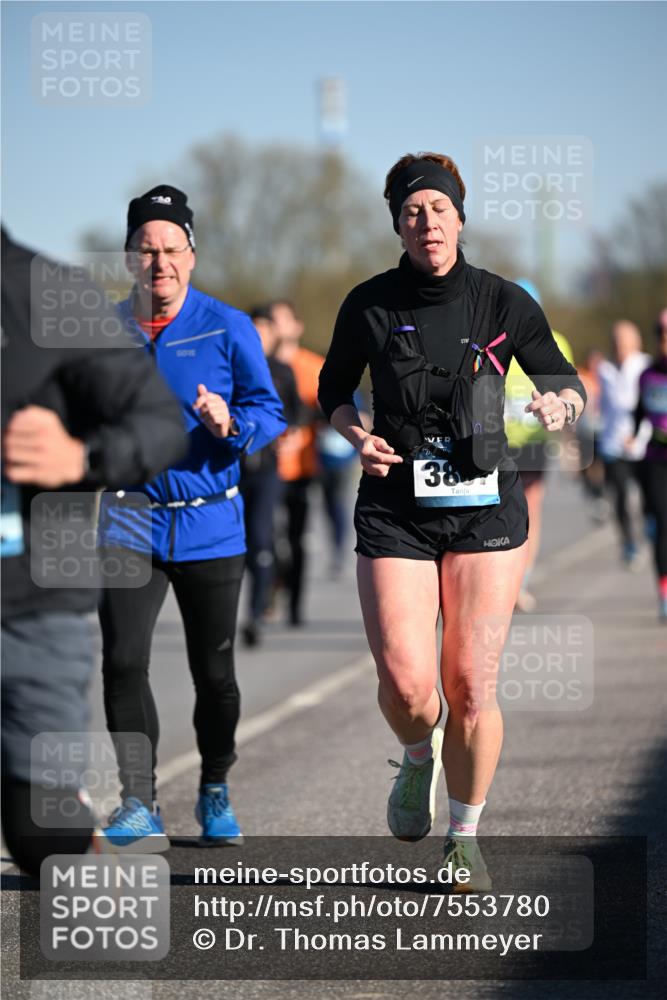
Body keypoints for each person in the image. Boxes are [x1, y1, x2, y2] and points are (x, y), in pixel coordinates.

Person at [318, 152, 586, 890]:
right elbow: (332, 389)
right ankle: (416, 755)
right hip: (395, 507)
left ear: (460, 219)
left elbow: (565, 381)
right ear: (397, 225)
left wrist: (559, 405)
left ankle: (463, 836)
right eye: (412, 211)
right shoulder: (368, 303)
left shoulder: (503, 301)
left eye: (439, 209)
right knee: (410, 689)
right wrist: (354, 433)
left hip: (483, 506)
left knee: (469, 684)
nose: (427, 222)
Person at [98, 187, 286, 851]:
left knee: (214, 673)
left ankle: (214, 787)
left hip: (210, 522)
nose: (160, 263)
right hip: (128, 520)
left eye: (172, 249)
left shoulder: (226, 325)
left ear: (191, 255)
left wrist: (230, 423)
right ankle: (138, 802)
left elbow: (270, 412)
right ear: (128, 258)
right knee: (123, 662)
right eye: (147, 250)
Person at [1, 227, 186, 877]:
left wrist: (80, 456)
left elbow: (159, 421)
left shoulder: (47, 293)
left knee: (43, 837)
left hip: (26, 608)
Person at [503, 279, 575, 612]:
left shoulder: (555, 341)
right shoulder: (493, 338)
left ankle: (521, 581)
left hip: (534, 440)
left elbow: (566, 393)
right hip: (501, 440)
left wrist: (569, 441)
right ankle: (502, 579)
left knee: (530, 509)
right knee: (499, 511)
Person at [240, 307, 302, 647]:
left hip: (267, 470)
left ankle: (256, 613)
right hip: (231, 470)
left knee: (261, 538)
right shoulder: (230, 367)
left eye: (264, 331)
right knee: (236, 544)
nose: (258, 338)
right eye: (253, 331)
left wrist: (291, 434)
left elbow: (296, 414)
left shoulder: (281, 371)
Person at [270, 299, 324, 625]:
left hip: (303, 467)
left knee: (296, 539)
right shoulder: (257, 365)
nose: (276, 327)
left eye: (281, 320)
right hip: (265, 469)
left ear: (296, 326)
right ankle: (270, 587)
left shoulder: (313, 366)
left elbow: (330, 408)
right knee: (264, 538)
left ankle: (295, 604)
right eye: (270, 321)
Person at [598, 320, 651, 568]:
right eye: (616, 340)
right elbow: (603, 406)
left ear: (635, 341)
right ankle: (629, 543)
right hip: (613, 443)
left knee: (649, 496)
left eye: (624, 340)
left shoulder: (645, 365)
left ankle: (651, 529)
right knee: (619, 496)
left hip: (642, 443)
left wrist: (638, 433)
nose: (619, 345)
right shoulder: (605, 368)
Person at [628, 309, 667, 622]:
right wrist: (632, 434)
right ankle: (665, 593)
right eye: (660, 332)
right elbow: (639, 412)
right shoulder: (647, 375)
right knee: (663, 525)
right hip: (655, 459)